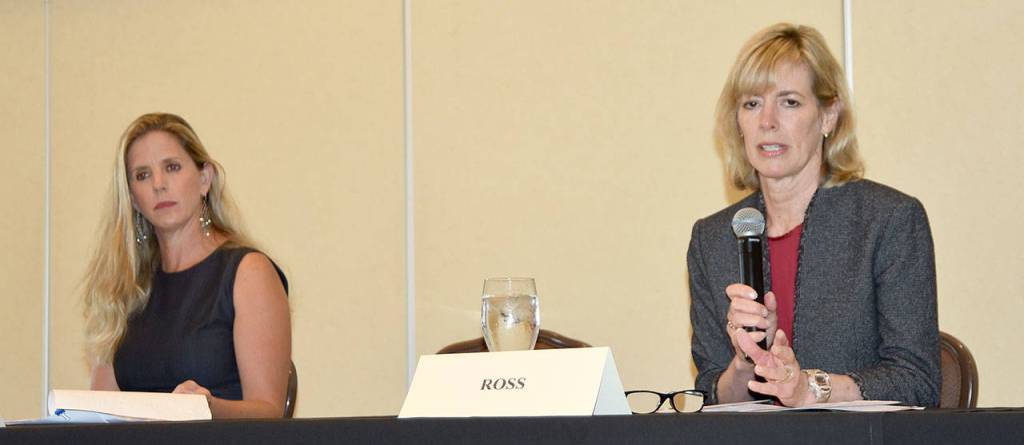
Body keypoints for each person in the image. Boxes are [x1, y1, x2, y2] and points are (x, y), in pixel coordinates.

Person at [688, 23, 940, 407]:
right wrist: (744, 361)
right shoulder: (713, 239)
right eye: (752, 103)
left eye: (789, 102)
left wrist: (811, 389)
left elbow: (917, 381)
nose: (767, 121)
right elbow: (712, 394)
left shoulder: (889, 221)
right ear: (737, 122)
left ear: (828, 116)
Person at [83, 112, 292, 418]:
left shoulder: (248, 272)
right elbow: (100, 411)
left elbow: (269, 413)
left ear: (204, 178)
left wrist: (206, 408)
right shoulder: (124, 287)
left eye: (172, 167)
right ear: (133, 199)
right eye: (142, 175)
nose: (158, 184)